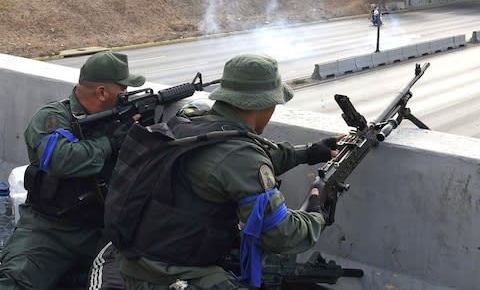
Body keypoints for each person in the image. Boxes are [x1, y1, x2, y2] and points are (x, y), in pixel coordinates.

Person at [104, 53, 340, 290]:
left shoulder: (193, 123)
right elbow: (282, 235)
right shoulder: (238, 154)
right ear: (266, 104)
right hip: (172, 276)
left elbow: (236, 163)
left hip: (136, 261)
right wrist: (315, 212)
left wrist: (310, 152)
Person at [0, 51, 146, 290]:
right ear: (102, 93)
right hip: (50, 230)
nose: (126, 96)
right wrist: (110, 142)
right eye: (123, 91)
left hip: (102, 232)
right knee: (15, 282)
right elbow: (62, 160)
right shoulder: (54, 117)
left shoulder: (118, 120)